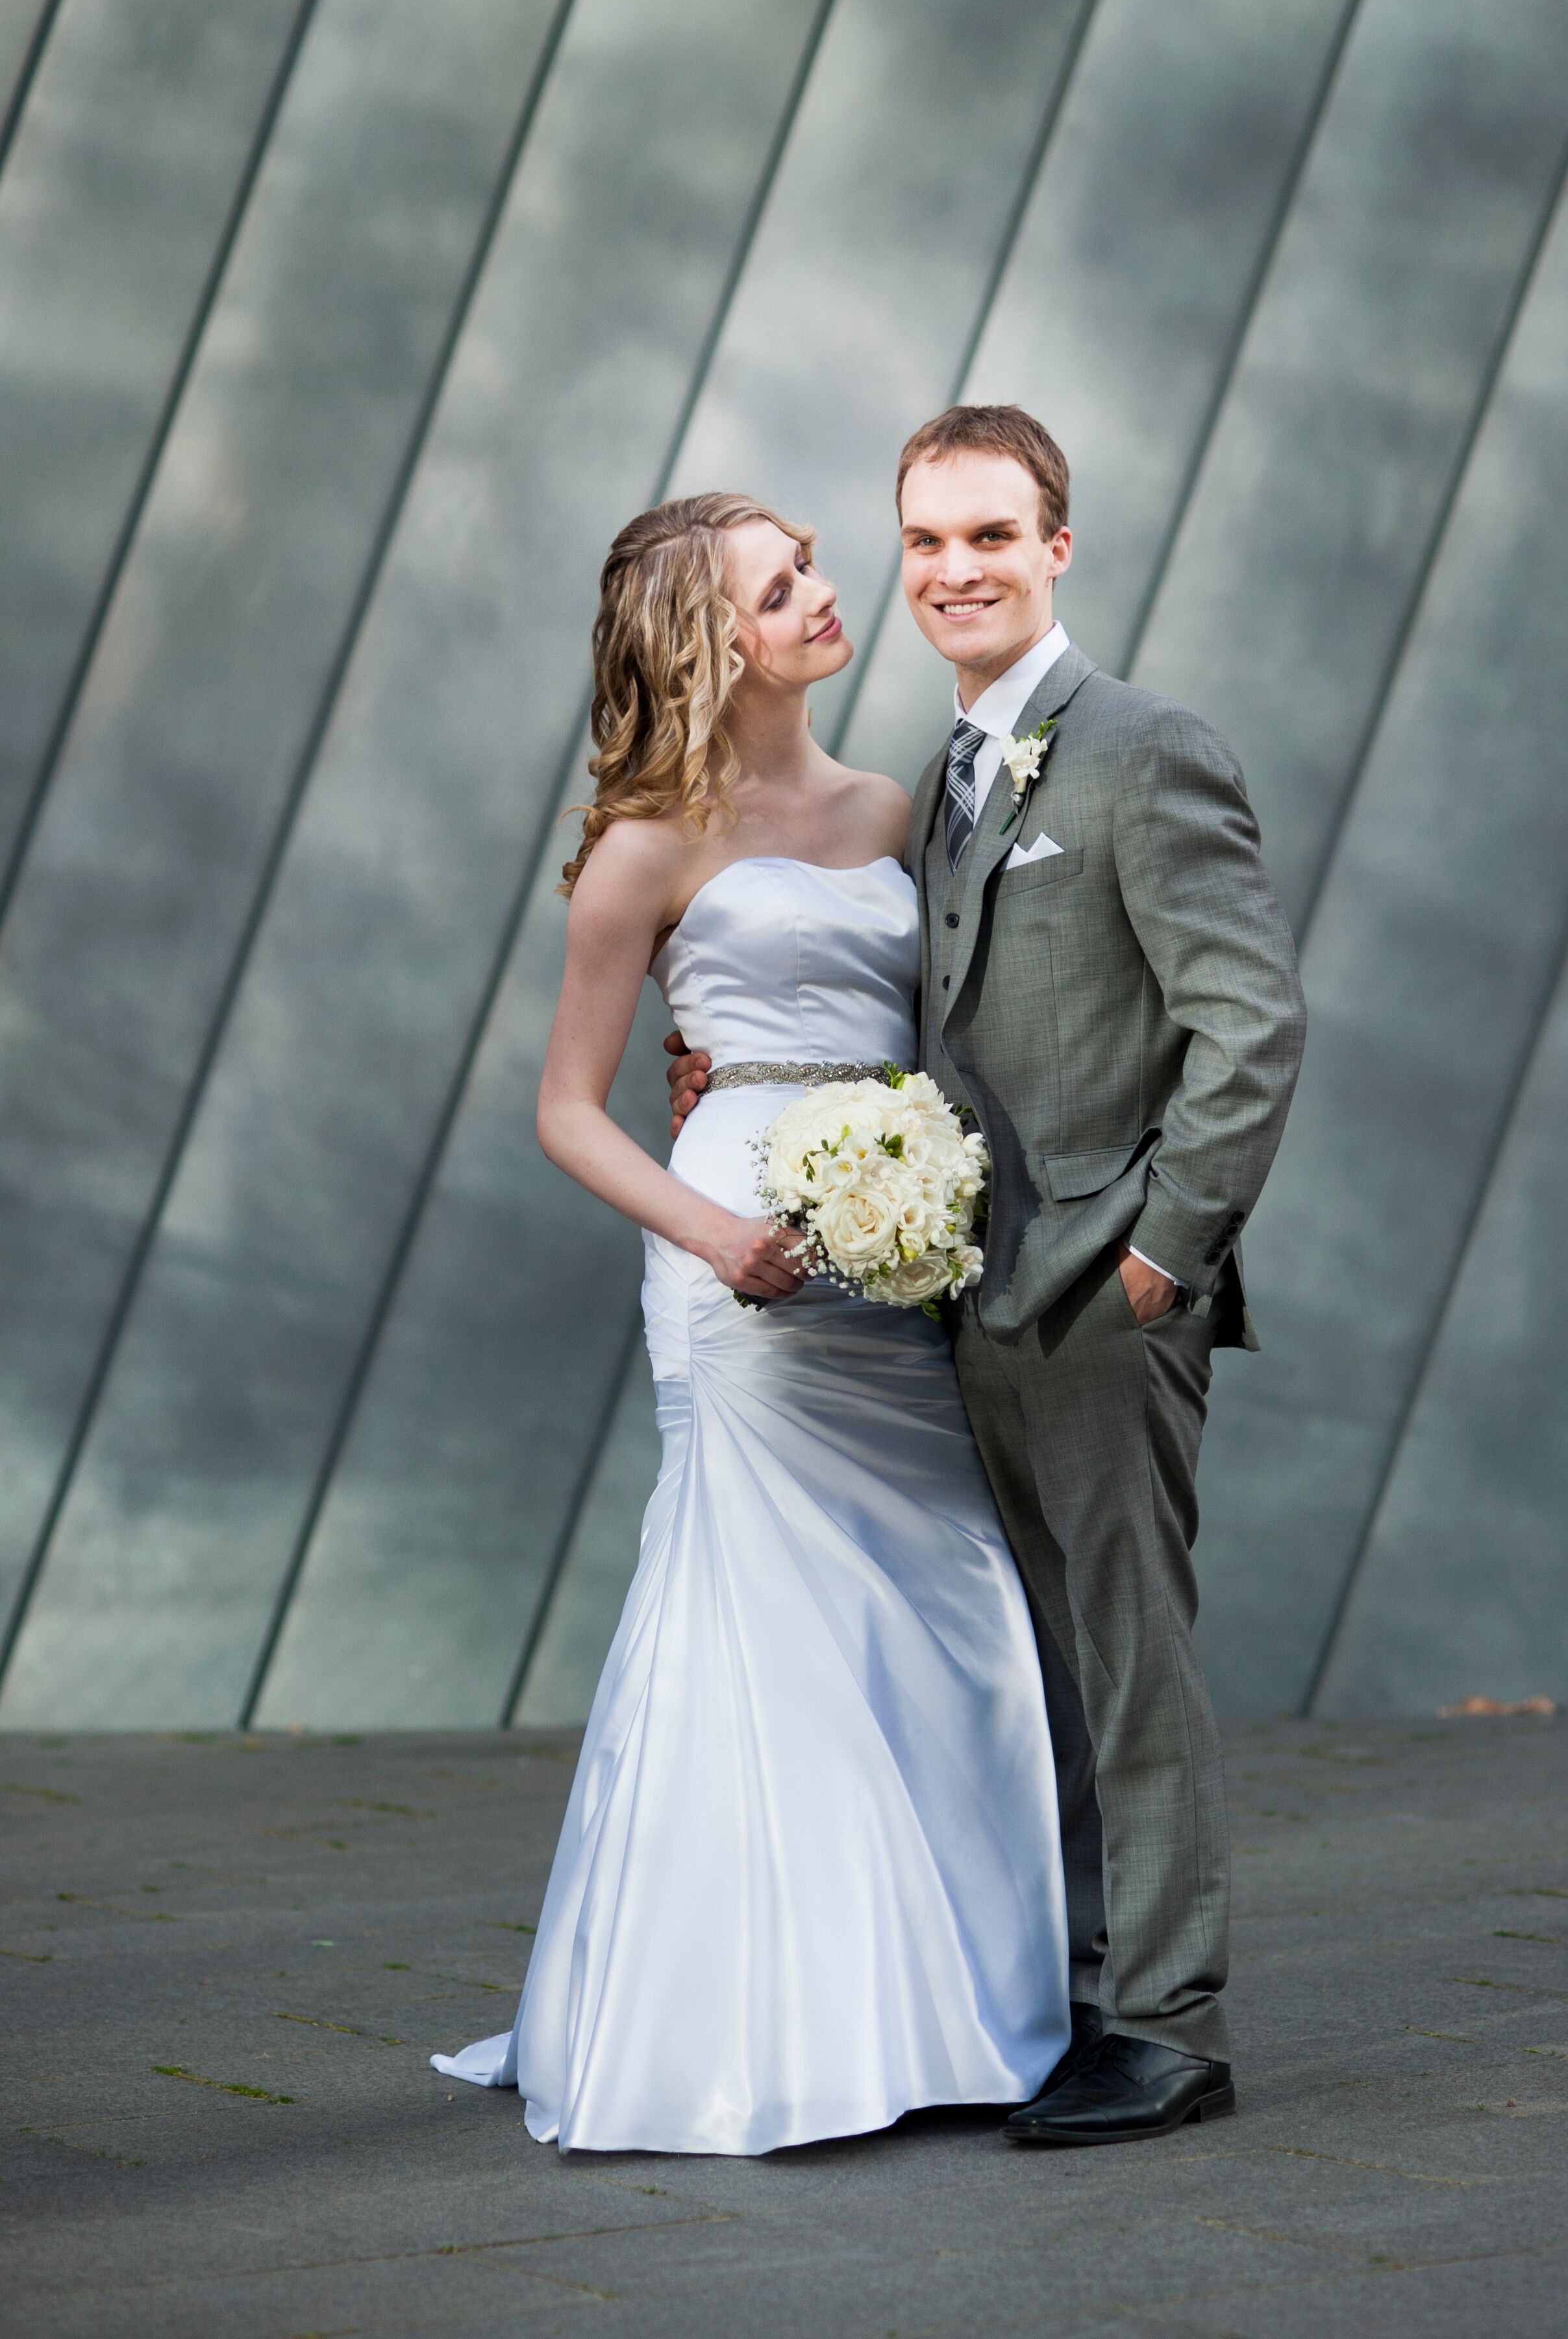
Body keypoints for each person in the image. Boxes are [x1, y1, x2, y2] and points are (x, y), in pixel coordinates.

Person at [669, 407, 1306, 2145]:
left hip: (1103, 1295)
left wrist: (1164, 1256)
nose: (954, 570)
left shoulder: (1136, 748)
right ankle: (1083, 1991)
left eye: (989, 537)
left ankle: (1165, 2023)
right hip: (969, 1297)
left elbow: (1245, 1027)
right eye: (927, 541)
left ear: (1055, 550)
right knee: (1038, 1660)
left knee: (1122, 1651)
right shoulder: (948, 775)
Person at [432, 491, 1071, 2155]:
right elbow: (569, 1110)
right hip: (737, 1260)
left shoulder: (898, 803)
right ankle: (753, 2023)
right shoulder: (646, 843)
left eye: (809, 567)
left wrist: (933, 1188)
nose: (827, 594)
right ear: (712, 640)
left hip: (898, 1248)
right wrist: (716, 1231)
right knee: (761, 1616)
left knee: (938, 1598)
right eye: (782, 586)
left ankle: (951, 1997)